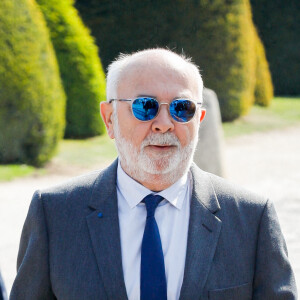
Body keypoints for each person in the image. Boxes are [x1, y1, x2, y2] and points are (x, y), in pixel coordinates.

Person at [10, 49, 297, 300]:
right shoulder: (54, 214)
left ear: (199, 120)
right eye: (145, 106)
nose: (164, 124)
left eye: (181, 108)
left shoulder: (251, 218)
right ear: (109, 119)